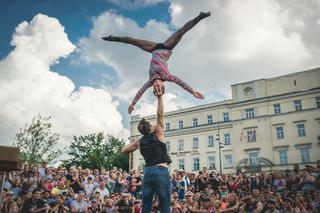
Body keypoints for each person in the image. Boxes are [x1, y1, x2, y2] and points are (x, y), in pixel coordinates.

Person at [102, 12, 211, 114]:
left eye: (154, 88)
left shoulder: (150, 81)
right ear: (163, 86)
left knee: (135, 42)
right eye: (158, 86)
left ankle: (114, 38)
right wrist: (192, 92)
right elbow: (181, 83)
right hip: (166, 48)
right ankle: (200, 17)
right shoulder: (167, 76)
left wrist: (132, 105)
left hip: (153, 49)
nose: (155, 85)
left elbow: (140, 92)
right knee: (181, 32)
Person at [122, 85, 171, 212]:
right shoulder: (158, 133)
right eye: (151, 123)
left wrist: (133, 142)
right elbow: (160, 113)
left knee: (146, 206)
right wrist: (160, 97)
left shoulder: (139, 141)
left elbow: (124, 150)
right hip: (161, 170)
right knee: (165, 204)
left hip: (148, 172)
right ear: (151, 127)